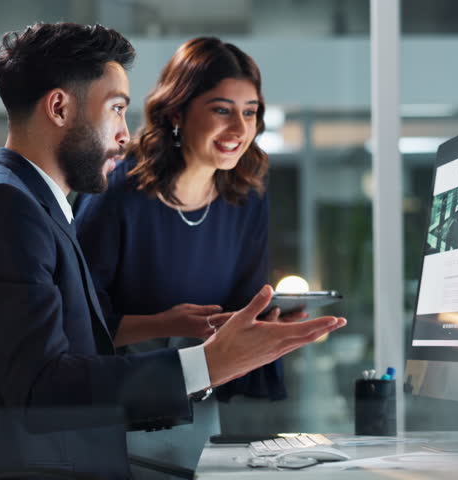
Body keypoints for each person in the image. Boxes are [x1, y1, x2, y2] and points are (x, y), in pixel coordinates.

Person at [0, 22, 345, 479]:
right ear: (59, 107)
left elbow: (62, 371)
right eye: (116, 109)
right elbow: (44, 391)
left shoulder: (29, 207)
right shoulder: (3, 211)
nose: (125, 133)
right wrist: (204, 364)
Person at [73, 36, 298, 470]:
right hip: (117, 411)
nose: (239, 129)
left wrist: (270, 322)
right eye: (221, 110)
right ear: (176, 112)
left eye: (249, 112)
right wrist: (166, 323)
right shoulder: (118, 190)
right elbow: (79, 324)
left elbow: (241, 301)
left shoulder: (246, 196)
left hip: (200, 405)